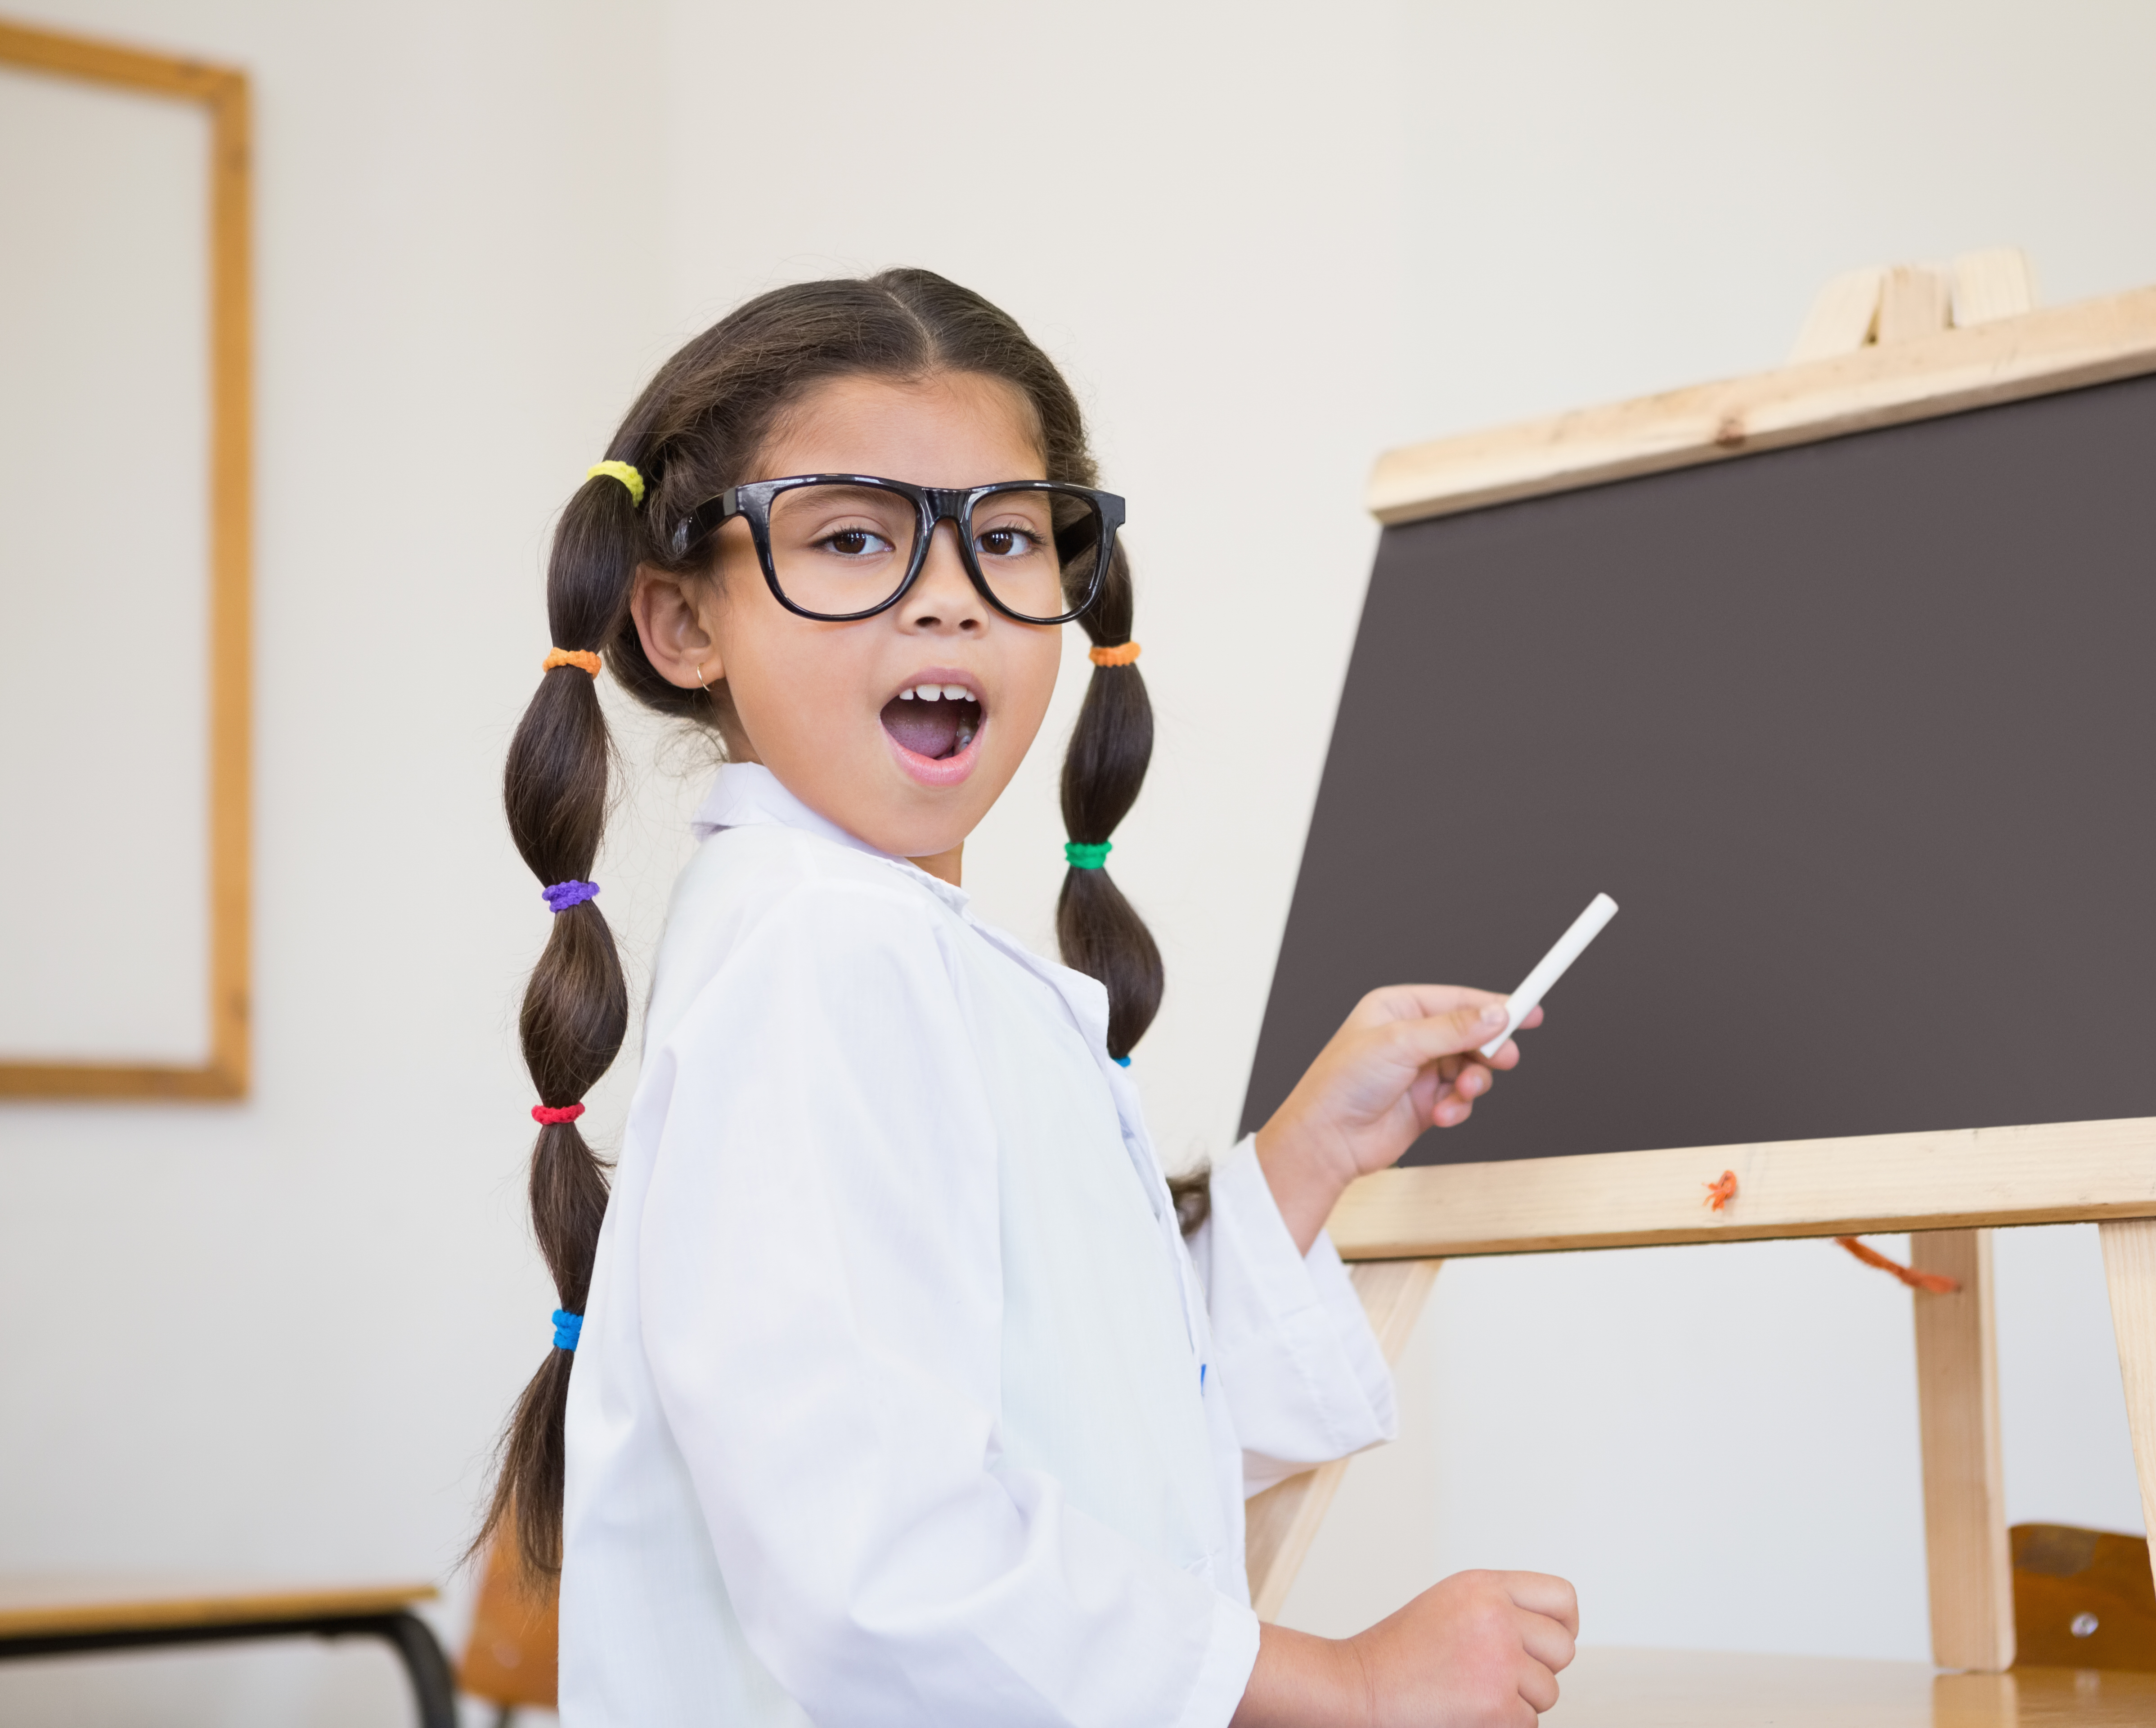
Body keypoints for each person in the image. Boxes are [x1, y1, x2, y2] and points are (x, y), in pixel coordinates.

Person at [481, 270, 1579, 1727]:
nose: (949, 595)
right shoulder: (825, 962)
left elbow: (1088, 1432)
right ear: (683, 625)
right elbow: (880, 1561)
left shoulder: (883, 948)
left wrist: (1308, 1154)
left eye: (1005, 539)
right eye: (855, 536)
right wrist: (1346, 1685)